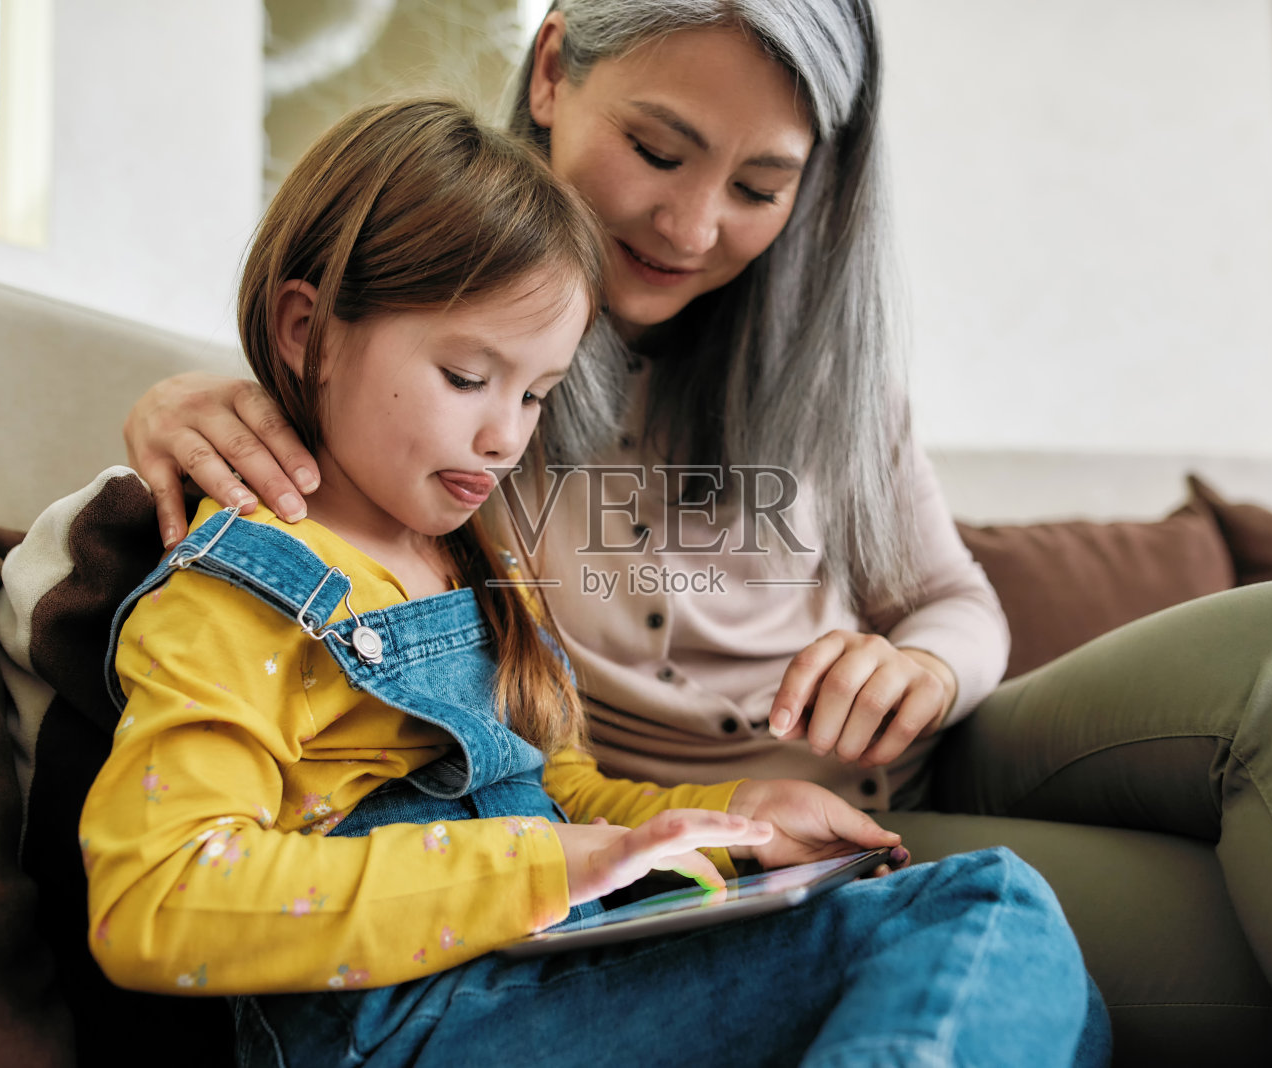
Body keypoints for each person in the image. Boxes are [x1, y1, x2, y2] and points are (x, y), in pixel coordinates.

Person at [119, 2, 1272, 1064]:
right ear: (552, 71)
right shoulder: (413, 421)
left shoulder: (814, 364)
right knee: (1207, 930)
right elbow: (313, 473)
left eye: (762, 184)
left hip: (896, 767)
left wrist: (920, 667)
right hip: (758, 847)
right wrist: (182, 404)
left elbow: (950, 597)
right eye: (658, 151)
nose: (694, 225)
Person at [82, 98, 1108, 1067]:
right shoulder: (246, 589)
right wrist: (545, 867)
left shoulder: (468, 554)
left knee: (1037, 979)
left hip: (538, 972)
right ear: (305, 331)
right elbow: (155, 898)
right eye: (467, 378)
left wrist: (733, 821)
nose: (505, 436)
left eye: (537, 394)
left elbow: (551, 792)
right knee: (985, 916)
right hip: (401, 1025)